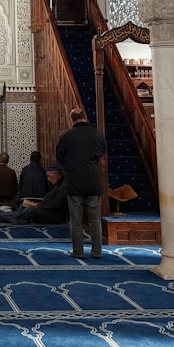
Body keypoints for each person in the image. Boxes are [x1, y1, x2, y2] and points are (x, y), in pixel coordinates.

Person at [56, 107, 107, 259]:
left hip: (74, 183)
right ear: (85, 116)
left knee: (76, 221)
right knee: (95, 220)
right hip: (93, 182)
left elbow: (60, 158)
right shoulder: (97, 134)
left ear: (72, 119)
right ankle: (97, 252)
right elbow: (102, 151)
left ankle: (78, 252)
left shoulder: (66, 136)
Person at [0, 163, 68, 225]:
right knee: (24, 205)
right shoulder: (56, 184)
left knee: (32, 209)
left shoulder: (63, 187)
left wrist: (38, 205)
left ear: (56, 174)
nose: (48, 179)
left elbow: (56, 205)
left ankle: (15, 218)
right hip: (47, 209)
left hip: (56, 216)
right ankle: (19, 218)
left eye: (49, 176)